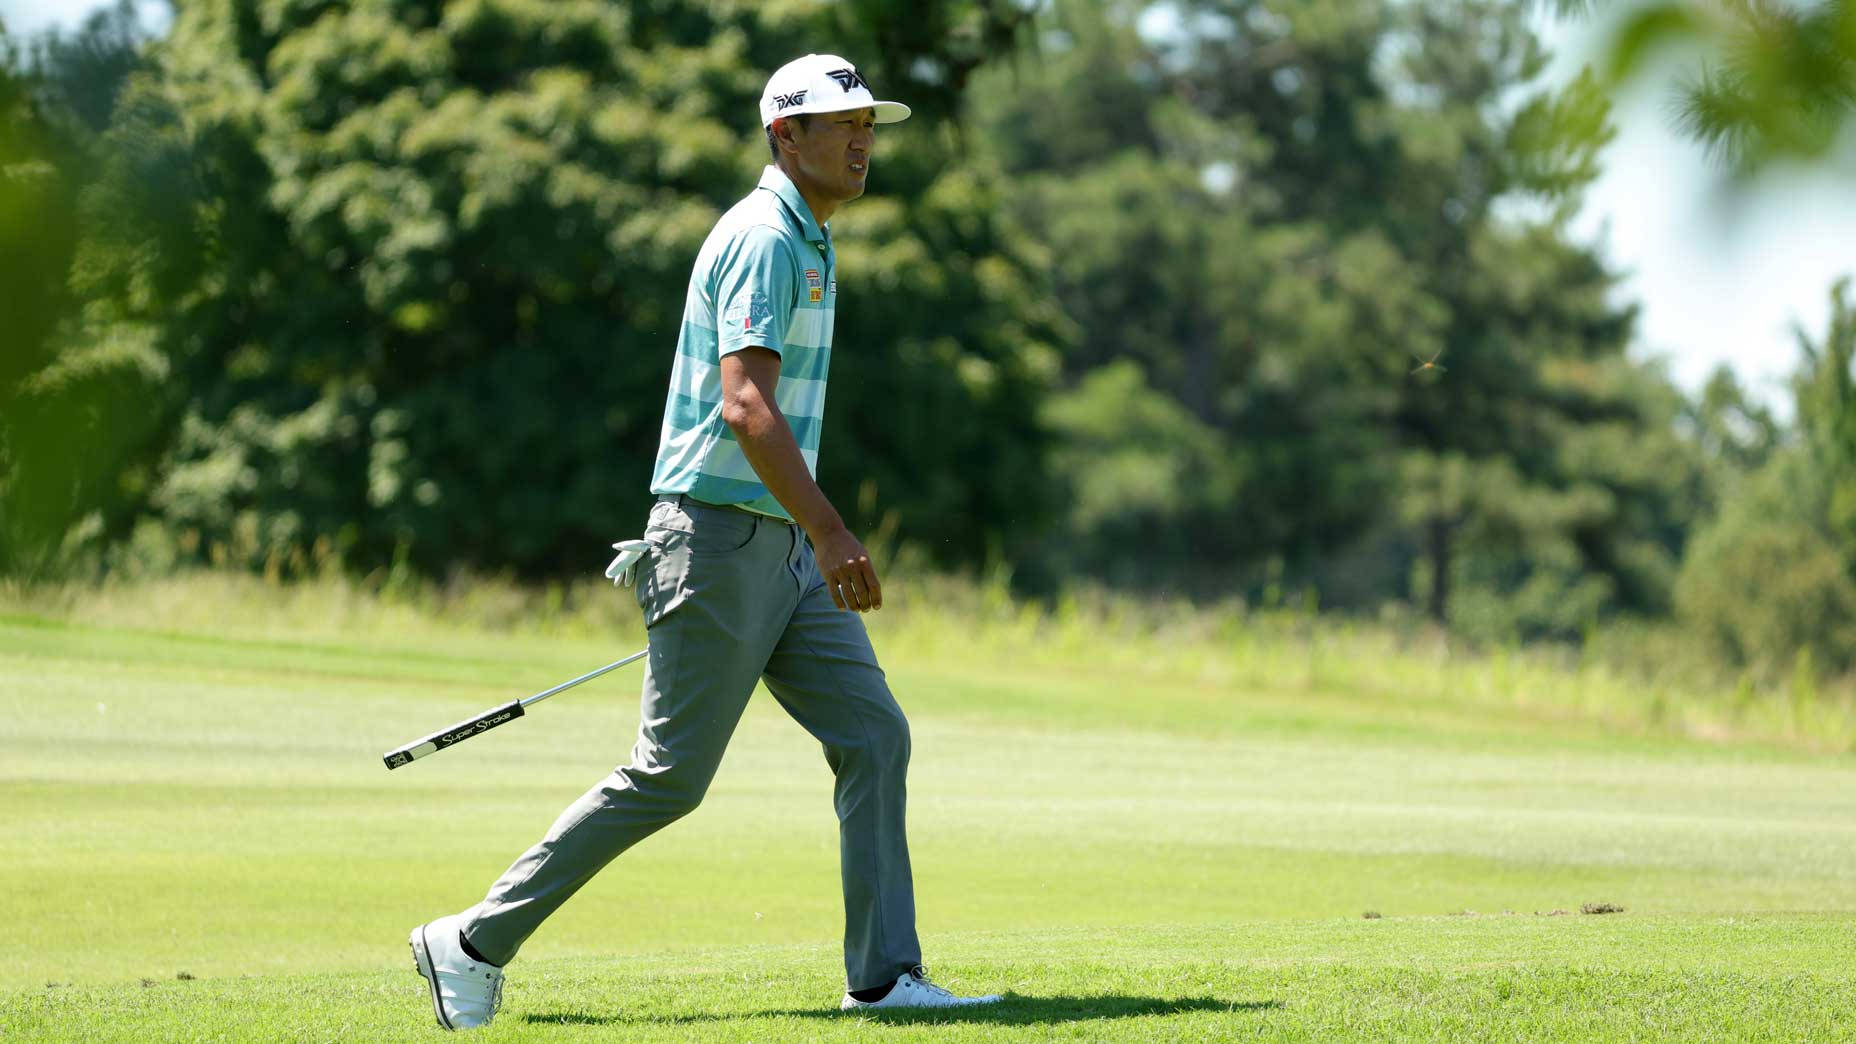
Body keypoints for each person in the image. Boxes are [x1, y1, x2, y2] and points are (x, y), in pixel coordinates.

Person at [408, 53, 1003, 1030]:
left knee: (872, 734)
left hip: (774, 546)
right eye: (838, 123)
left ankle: (884, 977)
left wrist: (805, 538)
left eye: (867, 123)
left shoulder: (808, 237)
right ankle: (471, 940)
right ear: (784, 136)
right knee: (669, 777)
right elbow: (742, 404)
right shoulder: (768, 234)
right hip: (722, 537)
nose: (861, 139)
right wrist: (831, 529)